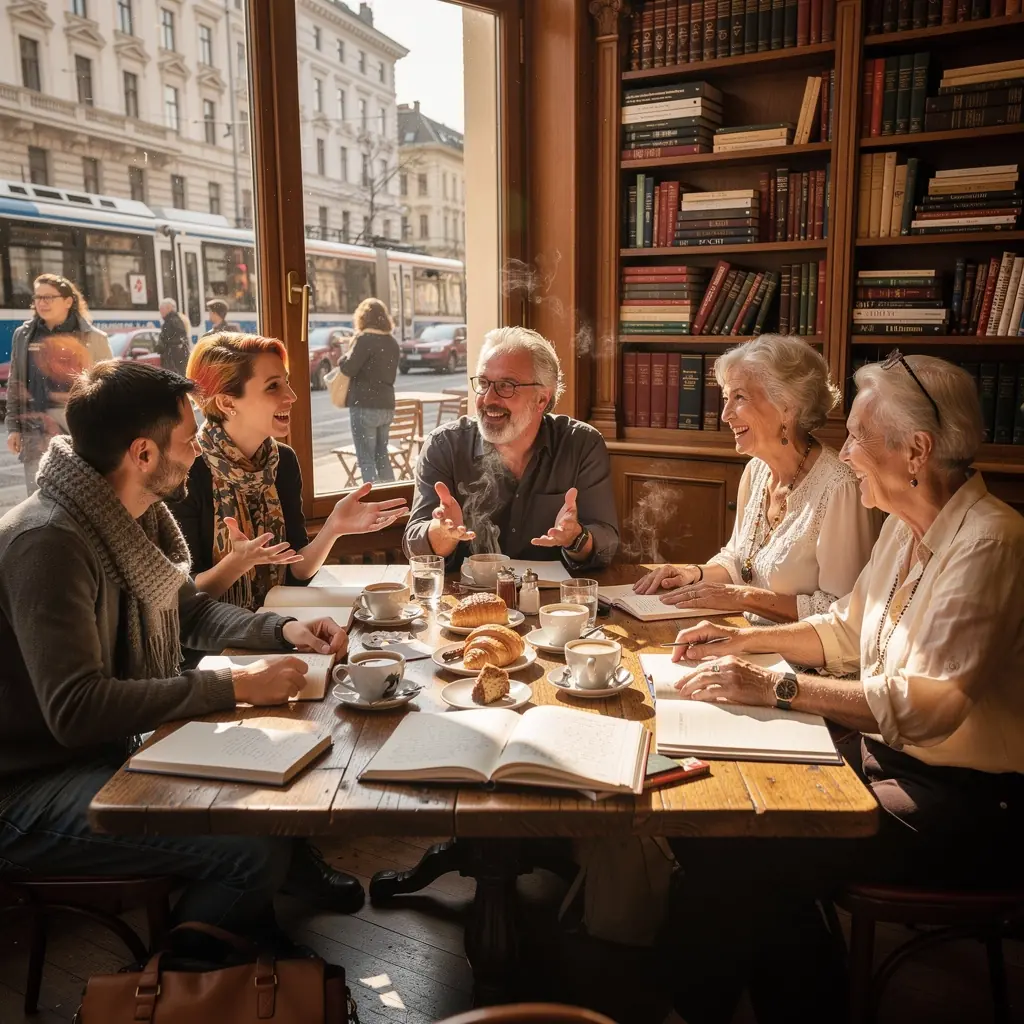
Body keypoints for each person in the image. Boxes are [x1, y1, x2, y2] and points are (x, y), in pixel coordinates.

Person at [661, 352, 1024, 1024]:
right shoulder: (906, 530)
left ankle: (694, 1009)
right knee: (715, 821)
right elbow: (846, 628)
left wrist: (776, 689)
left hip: (967, 802)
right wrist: (741, 643)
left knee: (744, 852)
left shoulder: (991, 542)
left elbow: (929, 705)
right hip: (888, 758)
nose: (846, 453)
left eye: (857, 437)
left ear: (916, 451)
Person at [0, 360, 367, 939]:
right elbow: (76, 710)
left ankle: (253, 937)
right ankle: (187, 970)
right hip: (26, 789)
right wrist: (233, 685)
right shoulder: (48, 542)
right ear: (143, 453)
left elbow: (189, 610)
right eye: (190, 439)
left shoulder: (120, 514)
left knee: (279, 773)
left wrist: (283, 630)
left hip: (103, 752)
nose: (198, 451)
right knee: (250, 849)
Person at [634, 335, 882, 623]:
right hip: (746, 636)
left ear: (787, 406)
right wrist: (693, 573)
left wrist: (744, 598)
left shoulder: (841, 487)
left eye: (739, 397)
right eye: (726, 399)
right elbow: (740, 563)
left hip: (801, 650)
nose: (725, 415)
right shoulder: (756, 471)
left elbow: (843, 613)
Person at [169, 332, 409, 610]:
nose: (292, 396)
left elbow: (295, 573)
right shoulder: (188, 468)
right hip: (216, 633)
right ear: (227, 403)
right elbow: (184, 597)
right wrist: (237, 563)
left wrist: (333, 528)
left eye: (287, 382)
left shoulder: (282, 461)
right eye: (273, 386)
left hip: (279, 619)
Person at [404, 326, 619, 572]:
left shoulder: (581, 444)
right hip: (466, 594)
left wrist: (576, 538)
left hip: (553, 595)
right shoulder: (444, 446)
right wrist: (441, 533)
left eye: (506, 386)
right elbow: (415, 545)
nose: (488, 399)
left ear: (541, 399)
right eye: (483, 383)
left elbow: (606, 542)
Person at [4, 274, 112, 496]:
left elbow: (108, 387)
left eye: (49, 297)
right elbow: (16, 382)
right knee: (38, 500)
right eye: (37, 297)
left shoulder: (93, 338)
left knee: (80, 497)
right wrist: (14, 428)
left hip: (78, 430)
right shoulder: (23, 336)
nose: (41, 303)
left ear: (68, 301)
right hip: (35, 432)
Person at [337, 297, 401, 484]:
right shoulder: (392, 342)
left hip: (365, 405)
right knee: (382, 456)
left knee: (366, 460)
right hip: (387, 405)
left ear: (362, 317)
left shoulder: (364, 339)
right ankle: (391, 495)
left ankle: (373, 498)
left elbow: (348, 368)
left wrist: (343, 357)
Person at [156, 297, 191, 376]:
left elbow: (175, 340)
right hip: (175, 361)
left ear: (169, 308)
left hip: (173, 361)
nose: (160, 312)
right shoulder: (174, 320)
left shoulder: (172, 321)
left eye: (161, 309)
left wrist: (162, 345)